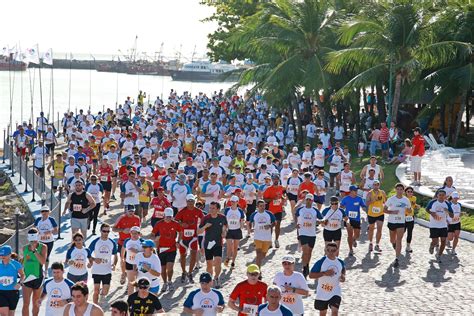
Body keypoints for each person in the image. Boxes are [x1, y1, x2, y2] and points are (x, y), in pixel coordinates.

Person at [310, 242, 346, 316]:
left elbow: (343, 271)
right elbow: (311, 275)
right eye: (328, 250)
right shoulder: (321, 262)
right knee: (323, 313)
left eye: (333, 250)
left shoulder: (340, 262)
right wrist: (324, 273)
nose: (330, 252)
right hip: (322, 291)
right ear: (325, 250)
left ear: (337, 251)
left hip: (335, 291)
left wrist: (343, 276)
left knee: (335, 312)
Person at [198, 201, 228, 288]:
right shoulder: (205, 218)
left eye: (213, 208)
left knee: (218, 261)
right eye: (210, 208)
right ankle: (209, 279)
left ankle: (216, 277)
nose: (210, 210)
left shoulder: (222, 217)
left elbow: (225, 227)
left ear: (218, 209)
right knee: (209, 264)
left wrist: (224, 232)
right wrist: (205, 227)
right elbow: (198, 231)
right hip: (208, 244)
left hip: (218, 243)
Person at [175, 194, 204, 284]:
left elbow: (204, 219)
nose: (190, 203)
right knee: (183, 256)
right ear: (186, 202)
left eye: (192, 201)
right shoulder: (182, 211)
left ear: (194, 202)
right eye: (189, 201)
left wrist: (201, 228)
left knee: (193, 255)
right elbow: (176, 220)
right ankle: (184, 272)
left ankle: (190, 272)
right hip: (183, 238)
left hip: (193, 238)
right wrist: (182, 224)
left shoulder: (197, 211)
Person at [152, 207, 182, 292]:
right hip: (161, 249)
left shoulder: (175, 224)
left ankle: (169, 281)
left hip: (172, 248)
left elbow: (180, 232)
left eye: (170, 217)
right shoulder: (159, 223)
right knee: (163, 268)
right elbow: (152, 234)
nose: (168, 218)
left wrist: (178, 242)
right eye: (167, 216)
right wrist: (155, 239)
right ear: (164, 215)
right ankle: (165, 283)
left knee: (170, 267)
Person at [88, 223, 118, 304]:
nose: (106, 233)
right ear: (100, 231)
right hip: (97, 270)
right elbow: (87, 253)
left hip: (107, 270)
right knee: (96, 290)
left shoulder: (112, 242)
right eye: (104, 231)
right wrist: (93, 259)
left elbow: (115, 255)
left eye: (108, 231)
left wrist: (114, 264)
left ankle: (102, 292)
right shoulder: (95, 242)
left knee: (105, 292)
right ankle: (95, 306)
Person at [384, 183, 411, 268]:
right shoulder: (391, 199)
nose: (399, 191)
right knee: (392, 240)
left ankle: (397, 259)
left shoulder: (406, 200)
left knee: (399, 239)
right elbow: (384, 210)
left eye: (401, 189)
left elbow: (409, 211)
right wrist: (392, 212)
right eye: (398, 189)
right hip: (392, 222)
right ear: (395, 190)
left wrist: (409, 210)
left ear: (403, 191)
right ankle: (394, 244)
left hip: (401, 222)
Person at [295, 194, 323, 278]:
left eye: (310, 200)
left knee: (309, 252)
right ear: (305, 200)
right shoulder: (300, 209)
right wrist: (296, 223)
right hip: (303, 233)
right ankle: (304, 267)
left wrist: (319, 222)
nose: (308, 201)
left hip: (312, 233)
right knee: (305, 250)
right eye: (307, 199)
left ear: (312, 201)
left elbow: (321, 218)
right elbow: (296, 215)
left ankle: (307, 265)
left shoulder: (315, 210)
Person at [21, 228, 48, 316]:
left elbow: (43, 262)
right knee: (25, 304)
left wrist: (34, 250)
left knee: (36, 303)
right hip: (27, 278)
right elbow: (23, 262)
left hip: (38, 278)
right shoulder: (24, 248)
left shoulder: (43, 247)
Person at [426, 189, 454, 263]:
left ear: (445, 196)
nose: (441, 196)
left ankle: (439, 255)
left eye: (443, 195)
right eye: (440, 195)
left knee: (443, 241)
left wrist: (447, 211)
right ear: (437, 195)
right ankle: (432, 246)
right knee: (435, 241)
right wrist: (432, 213)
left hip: (443, 225)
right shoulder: (433, 202)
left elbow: (452, 215)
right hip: (433, 225)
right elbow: (427, 209)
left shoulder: (447, 203)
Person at [249, 200, 276, 270]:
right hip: (257, 236)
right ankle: (258, 270)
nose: (262, 207)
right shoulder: (254, 214)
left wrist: (270, 226)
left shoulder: (269, 214)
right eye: (260, 206)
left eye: (263, 205)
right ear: (257, 207)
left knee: (263, 255)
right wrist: (250, 228)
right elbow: (250, 222)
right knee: (258, 254)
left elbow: (275, 222)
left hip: (267, 237)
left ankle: (257, 263)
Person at [340, 185, 366, 256]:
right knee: (350, 235)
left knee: (357, 235)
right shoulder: (346, 199)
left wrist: (364, 208)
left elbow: (363, 205)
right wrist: (342, 209)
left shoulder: (359, 199)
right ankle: (350, 249)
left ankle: (354, 240)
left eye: (357, 190)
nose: (356, 192)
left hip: (357, 219)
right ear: (351, 191)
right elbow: (341, 207)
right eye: (355, 190)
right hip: (348, 219)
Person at [262, 174, 286, 248]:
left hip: (279, 209)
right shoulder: (269, 189)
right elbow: (264, 199)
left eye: (277, 179)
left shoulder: (281, 188)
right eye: (274, 179)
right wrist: (273, 199)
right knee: (271, 226)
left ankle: (276, 240)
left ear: (279, 180)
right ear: (272, 180)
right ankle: (269, 241)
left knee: (278, 225)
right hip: (270, 210)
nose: (275, 180)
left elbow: (283, 195)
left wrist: (283, 198)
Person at [0, 245, 25, 316]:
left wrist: (19, 283)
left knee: (11, 314)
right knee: (4, 314)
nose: (2, 257)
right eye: (1, 255)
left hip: (13, 292)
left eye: (4, 255)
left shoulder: (16, 264)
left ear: (10, 254)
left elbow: (23, 275)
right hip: (1, 292)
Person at [33, 205, 58, 273]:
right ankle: (39, 270)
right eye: (42, 211)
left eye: (46, 211)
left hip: (49, 241)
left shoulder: (51, 219)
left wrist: (50, 231)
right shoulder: (38, 219)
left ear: (49, 212)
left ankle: (46, 271)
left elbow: (56, 230)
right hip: (40, 241)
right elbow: (33, 228)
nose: (44, 213)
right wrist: (37, 231)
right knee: (39, 255)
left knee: (46, 256)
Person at [223, 195, 245, 268]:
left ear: (237, 202)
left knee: (235, 247)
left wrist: (242, 225)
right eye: (232, 201)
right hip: (229, 230)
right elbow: (224, 219)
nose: (233, 203)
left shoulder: (240, 210)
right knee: (229, 246)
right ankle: (228, 258)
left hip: (237, 230)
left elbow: (242, 219)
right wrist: (224, 229)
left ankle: (233, 262)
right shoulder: (227, 210)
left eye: (234, 201)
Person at [365, 180, 386, 252]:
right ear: (373, 185)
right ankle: (370, 243)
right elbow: (367, 204)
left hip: (380, 213)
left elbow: (385, 202)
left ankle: (377, 244)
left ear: (379, 185)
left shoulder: (382, 192)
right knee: (371, 229)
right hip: (371, 214)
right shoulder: (370, 193)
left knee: (379, 229)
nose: (376, 186)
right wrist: (373, 200)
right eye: (374, 185)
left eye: (377, 184)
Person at [121, 226, 143, 295]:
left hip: (139, 264)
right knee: (131, 283)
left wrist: (137, 252)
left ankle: (138, 298)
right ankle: (130, 300)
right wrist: (122, 258)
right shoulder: (127, 240)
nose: (133, 235)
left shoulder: (142, 241)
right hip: (129, 263)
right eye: (132, 233)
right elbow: (123, 249)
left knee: (138, 282)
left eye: (135, 233)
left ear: (139, 234)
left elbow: (146, 253)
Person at [404, 186, 418, 253]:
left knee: (410, 232)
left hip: (411, 217)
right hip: (403, 217)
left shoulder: (414, 198)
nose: (410, 193)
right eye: (408, 191)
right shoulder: (403, 199)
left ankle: (408, 246)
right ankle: (397, 243)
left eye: (411, 191)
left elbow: (413, 205)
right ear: (406, 192)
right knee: (402, 232)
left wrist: (416, 206)